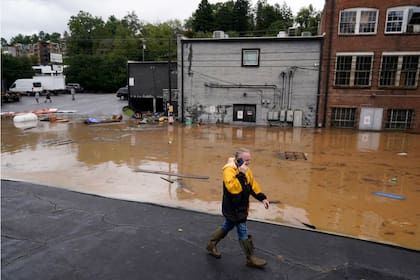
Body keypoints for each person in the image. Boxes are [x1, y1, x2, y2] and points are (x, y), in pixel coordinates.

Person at [206, 148, 270, 268]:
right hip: (233, 208)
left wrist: (262, 198)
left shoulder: (247, 170)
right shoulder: (228, 170)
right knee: (242, 230)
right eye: (246, 160)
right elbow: (234, 189)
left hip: (241, 207)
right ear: (238, 160)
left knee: (227, 226)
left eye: (249, 160)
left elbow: (252, 185)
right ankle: (250, 258)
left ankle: (211, 245)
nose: (248, 162)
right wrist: (240, 174)